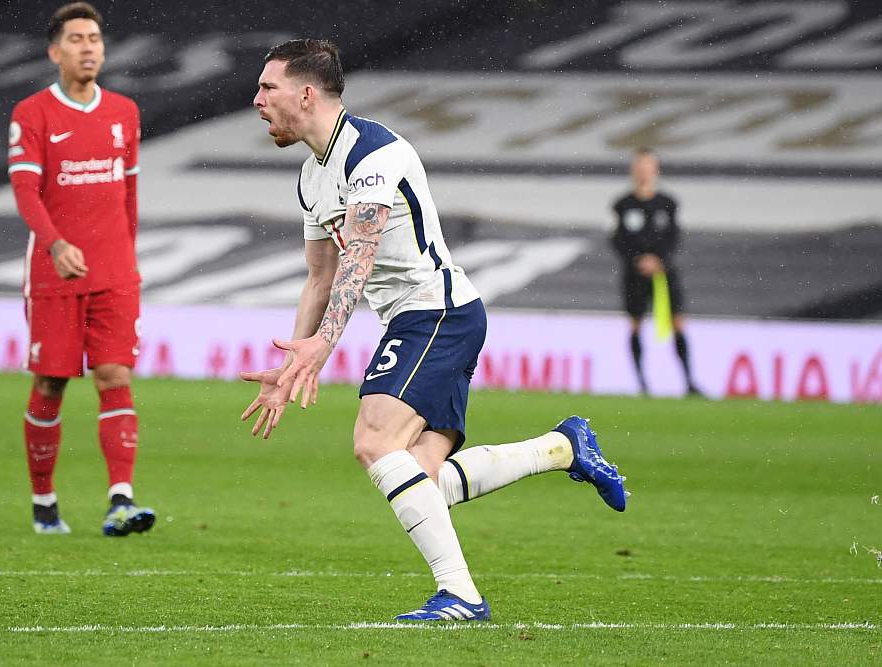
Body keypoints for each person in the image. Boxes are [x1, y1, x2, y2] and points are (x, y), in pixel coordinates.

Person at [243, 39, 627, 622]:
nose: (257, 99)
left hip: (437, 313)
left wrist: (325, 344)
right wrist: (294, 356)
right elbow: (320, 277)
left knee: (374, 442)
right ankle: (560, 448)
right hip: (422, 319)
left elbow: (358, 260)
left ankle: (462, 595)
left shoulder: (373, 153)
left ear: (306, 94)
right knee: (421, 480)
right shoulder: (310, 178)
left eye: (267, 87)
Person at [8, 1, 155, 536]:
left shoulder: (124, 112)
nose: (88, 47)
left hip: (114, 273)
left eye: (94, 38)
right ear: (55, 52)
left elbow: (129, 193)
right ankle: (44, 501)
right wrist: (54, 244)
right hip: (55, 274)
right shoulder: (32, 114)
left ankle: (121, 500)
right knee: (51, 383)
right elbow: (25, 190)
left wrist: (127, 257)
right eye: (76, 39)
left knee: (114, 375)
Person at [611, 148, 701, 396]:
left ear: (655, 170)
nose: (643, 171)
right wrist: (638, 259)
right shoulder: (623, 205)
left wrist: (658, 259)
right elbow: (618, 239)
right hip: (634, 273)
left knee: (677, 321)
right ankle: (641, 383)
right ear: (633, 170)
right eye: (639, 166)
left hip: (664, 272)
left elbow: (674, 237)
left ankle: (689, 382)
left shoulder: (667, 204)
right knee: (635, 323)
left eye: (647, 166)